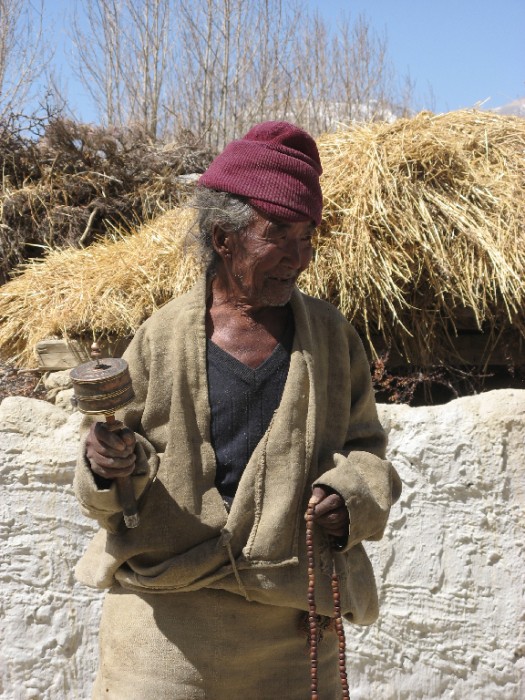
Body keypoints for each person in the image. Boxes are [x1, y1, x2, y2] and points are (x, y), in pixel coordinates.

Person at [74, 121, 402, 699]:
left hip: (289, 628)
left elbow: (367, 451)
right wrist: (109, 463)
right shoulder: (161, 336)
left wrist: (349, 496)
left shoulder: (331, 338)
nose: (298, 258)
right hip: (163, 628)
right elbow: (118, 450)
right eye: (278, 235)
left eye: (308, 238)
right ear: (224, 237)